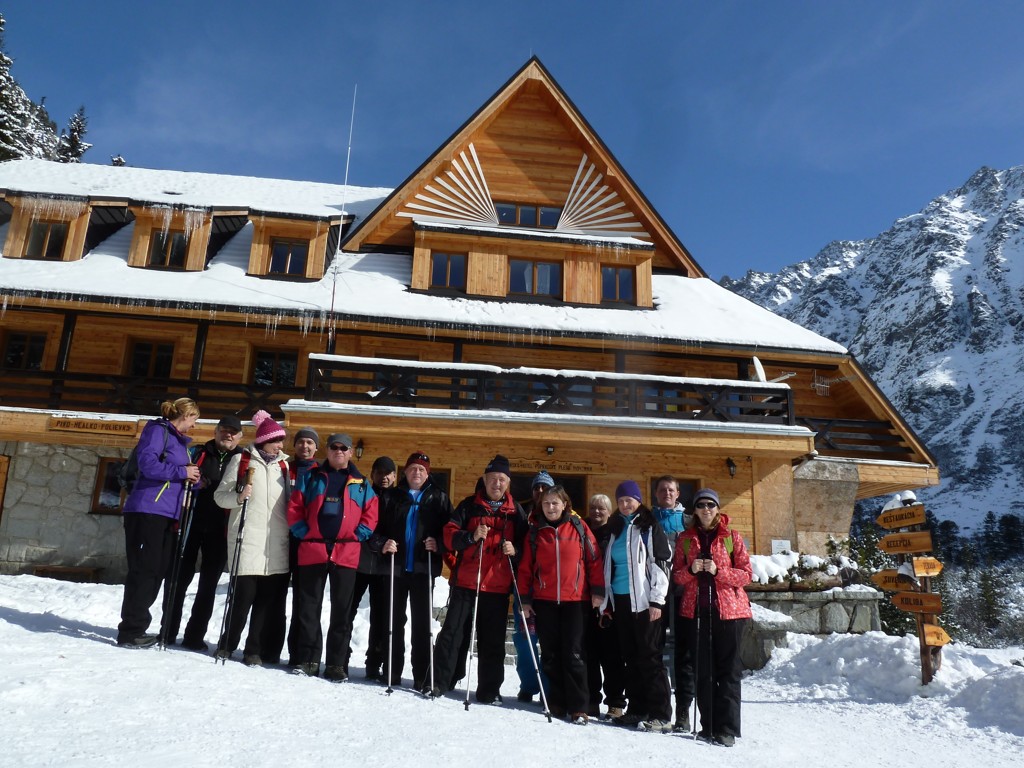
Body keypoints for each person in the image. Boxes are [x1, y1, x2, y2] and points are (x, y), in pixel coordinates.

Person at [430, 454, 527, 703]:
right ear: (484, 479)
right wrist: (470, 537)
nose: (497, 483)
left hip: (496, 586)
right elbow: (449, 535)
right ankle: (439, 681)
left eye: (502, 479)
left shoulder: (516, 512)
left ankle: (489, 690)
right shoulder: (468, 505)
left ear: (508, 482)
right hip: (466, 582)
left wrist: (515, 550)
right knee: (452, 634)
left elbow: (528, 547)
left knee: (492, 641)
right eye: (492, 478)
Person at [287, 432, 377, 680]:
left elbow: (371, 513)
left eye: (343, 448)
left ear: (350, 452)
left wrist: (358, 535)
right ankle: (308, 659)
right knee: (309, 607)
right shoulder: (311, 477)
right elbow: (295, 507)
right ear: (327, 451)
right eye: (334, 447)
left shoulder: (361, 483)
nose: (339, 451)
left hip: (345, 552)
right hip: (313, 549)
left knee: (342, 610)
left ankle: (336, 664)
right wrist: (303, 532)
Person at [117, 397, 202, 648]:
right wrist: (182, 472)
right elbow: (148, 464)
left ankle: (137, 627)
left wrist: (193, 478)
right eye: (194, 420)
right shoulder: (157, 431)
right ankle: (131, 631)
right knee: (144, 570)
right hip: (147, 509)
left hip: (167, 513)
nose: (194, 425)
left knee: (156, 570)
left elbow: (177, 473)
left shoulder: (179, 442)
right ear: (186, 416)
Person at [672, 488, 752, 748]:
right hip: (697, 612)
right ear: (694, 510)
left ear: (717, 509)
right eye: (701, 505)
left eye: (710, 505)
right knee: (703, 672)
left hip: (730, 613)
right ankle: (709, 725)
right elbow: (677, 576)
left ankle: (727, 729)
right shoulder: (685, 539)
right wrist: (691, 569)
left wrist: (719, 571)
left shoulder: (731, 537)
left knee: (728, 672)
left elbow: (746, 575)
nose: (706, 509)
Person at [518, 485, 604, 723]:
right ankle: (557, 701)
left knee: (575, 653)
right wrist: (524, 599)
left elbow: (594, 559)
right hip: (544, 601)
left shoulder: (579, 527)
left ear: (565, 504)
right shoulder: (535, 532)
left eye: (555, 503)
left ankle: (579, 706)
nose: (550, 507)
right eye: (546, 503)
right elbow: (525, 568)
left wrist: (598, 591)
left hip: (576, 601)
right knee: (551, 653)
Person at [212, 410, 291, 666]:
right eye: (276, 440)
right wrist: (238, 497)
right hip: (246, 542)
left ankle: (253, 650)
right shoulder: (242, 461)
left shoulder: (283, 467)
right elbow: (219, 496)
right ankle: (227, 644)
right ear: (264, 440)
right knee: (241, 600)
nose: (280, 446)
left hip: (275, 545)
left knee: (265, 605)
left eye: (281, 441)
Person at [161, 414, 244, 650]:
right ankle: (167, 631)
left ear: (240, 437)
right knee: (177, 579)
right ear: (216, 432)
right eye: (224, 430)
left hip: (221, 528)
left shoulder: (243, 460)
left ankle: (194, 636)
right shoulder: (197, 453)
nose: (228, 435)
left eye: (233, 432)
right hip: (191, 524)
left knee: (208, 586)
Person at [600, 480, 673, 732]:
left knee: (650, 657)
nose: (624, 505)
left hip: (645, 602)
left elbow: (661, 563)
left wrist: (657, 600)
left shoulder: (649, 526)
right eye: (620, 501)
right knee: (630, 657)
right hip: (620, 601)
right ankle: (637, 709)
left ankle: (661, 714)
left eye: (629, 500)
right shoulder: (615, 528)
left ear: (638, 500)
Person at [378, 451, 452, 689]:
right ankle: (391, 671)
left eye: (421, 469)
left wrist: (438, 543)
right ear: (405, 472)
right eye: (412, 468)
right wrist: (383, 543)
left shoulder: (439, 498)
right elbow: (376, 529)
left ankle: (422, 675)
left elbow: (450, 532)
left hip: (423, 567)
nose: (416, 473)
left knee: (422, 624)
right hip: (395, 567)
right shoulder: (391, 497)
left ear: (427, 474)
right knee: (393, 621)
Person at [652, 474, 696, 732]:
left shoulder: (689, 521)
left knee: (683, 652)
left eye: (671, 490)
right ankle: (657, 706)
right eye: (662, 490)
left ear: (678, 493)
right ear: (656, 493)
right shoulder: (647, 519)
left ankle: (683, 711)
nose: (666, 493)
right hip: (654, 593)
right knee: (653, 648)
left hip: (682, 591)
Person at [348, 455, 395, 679]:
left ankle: (375, 661)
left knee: (381, 616)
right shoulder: (364, 493)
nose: (383, 477)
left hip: (384, 566)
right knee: (348, 610)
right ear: (372, 474)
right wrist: (378, 542)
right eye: (379, 473)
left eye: (388, 473)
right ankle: (340, 656)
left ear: (394, 476)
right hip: (360, 561)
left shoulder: (399, 498)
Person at [583, 493, 627, 720]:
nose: (596, 512)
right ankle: (591, 699)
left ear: (609, 512)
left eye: (601, 508)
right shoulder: (582, 530)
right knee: (588, 654)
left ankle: (615, 702)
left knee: (611, 655)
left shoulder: (615, 533)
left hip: (609, 601)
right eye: (593, 508)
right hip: (584, 600)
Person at [513, 469, 554, 703]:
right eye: (537, 487)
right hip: (524, 586)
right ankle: (529, 684)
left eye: (545, 487)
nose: (540, 491)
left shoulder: (559, 515)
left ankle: (548, 689)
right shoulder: (522, 515)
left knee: (548, 638)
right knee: (524, 638)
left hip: (550, 588)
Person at [283, 427, 321, 666]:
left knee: (303, 597)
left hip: (307, 540)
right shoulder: (284, 468)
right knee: (276, 594)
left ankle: (299, 653)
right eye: (300, 442)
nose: (304, 446)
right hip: (279, 538)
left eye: (309, 442)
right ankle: (268, 648)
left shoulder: (321, 472)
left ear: (316, 447)